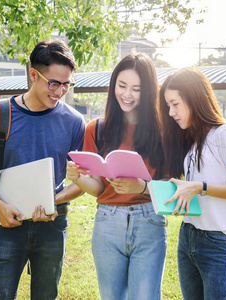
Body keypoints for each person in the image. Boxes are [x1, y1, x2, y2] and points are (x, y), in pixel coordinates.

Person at [0, 40, 85, 300]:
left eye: (67, 84)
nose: (60, 91)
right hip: (7, 222)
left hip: (53, 226)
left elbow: (84, 182)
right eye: (54, 83)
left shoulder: (75, 122)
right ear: (33, 74)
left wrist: (54, 200)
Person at [67, 53, 167, 299]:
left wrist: (142, 186)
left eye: (136, 89)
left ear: (149, 91)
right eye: (122, 86)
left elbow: (173, 186)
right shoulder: (97, 128)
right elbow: (99, 189)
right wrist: (76, 177)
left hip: (149, 220)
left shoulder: (163, 130)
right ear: (113, 87)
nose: (127, 94)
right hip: (107, 222)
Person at [158, 68, 226, 300]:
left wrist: (200, 187)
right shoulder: (193, 140)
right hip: (189, 236)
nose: (171, 112)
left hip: (220, 242)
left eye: (175, 104)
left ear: (194, 99)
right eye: (168, 106)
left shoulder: (224, 135)